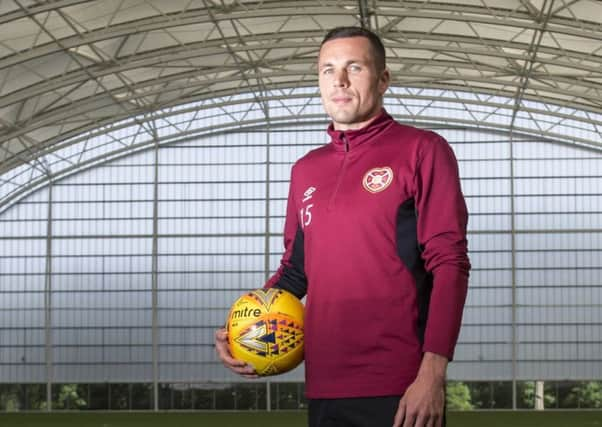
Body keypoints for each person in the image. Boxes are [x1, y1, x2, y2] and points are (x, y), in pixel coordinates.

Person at [215, 26, 470, 427]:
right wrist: (242, 324)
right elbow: (295, 271)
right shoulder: (305, 170)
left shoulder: (423, 150)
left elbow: (449, 262)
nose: (340, 81)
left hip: (401, 388)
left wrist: (433, 373)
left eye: (355, 67)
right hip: (325, 387)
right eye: (327, 70)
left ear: (383, 79)